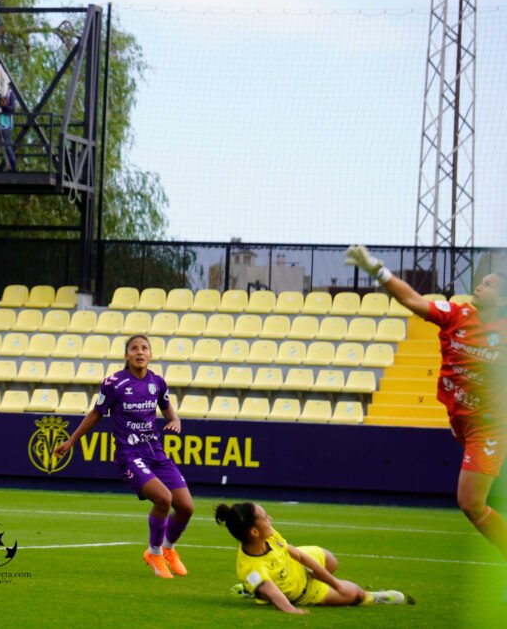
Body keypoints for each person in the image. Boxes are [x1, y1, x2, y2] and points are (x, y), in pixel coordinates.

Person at [345, 245, 507, 560]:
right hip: (463, 419)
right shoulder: (458, 315)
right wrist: (378, 269)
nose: (478, 286)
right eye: (481, 281)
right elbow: (412, 300)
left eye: (488, 285)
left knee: (471, 503)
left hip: (490, 428)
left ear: (502, 299)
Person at [53, 334, 194, 578]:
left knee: (186, 507)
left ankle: (169, 550)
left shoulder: (158, 382)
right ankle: (154, 552)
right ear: (126, 355)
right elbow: (96, 414)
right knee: (164, 499)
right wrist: (71, 440)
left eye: (144, 348)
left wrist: (176, 420)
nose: (140, 352)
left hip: (155, 453)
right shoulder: (113, 383)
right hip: (129, 454)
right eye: (134, 348)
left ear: (151, 354)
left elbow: (168, 410)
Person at [215, 502, 412, 613]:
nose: (270, 519)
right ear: (254, 532)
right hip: (304, 591)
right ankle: (374, 597)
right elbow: (277, 597)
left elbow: (299, 555)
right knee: (356, 595)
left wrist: (334, 583)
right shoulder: (252, 568)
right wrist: (291, 611)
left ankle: (254, 590)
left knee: (331, 561)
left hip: (294, 565)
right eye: (265, 518)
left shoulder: (269, 535)